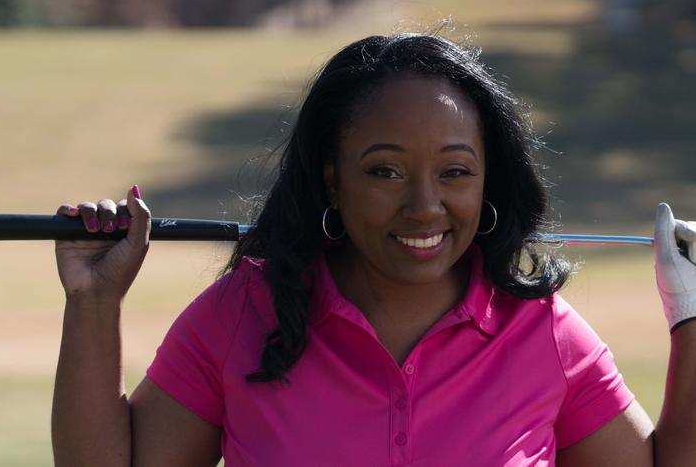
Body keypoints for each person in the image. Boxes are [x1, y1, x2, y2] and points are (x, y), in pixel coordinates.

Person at [51, 33, 696, 466]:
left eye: (455, 172)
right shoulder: (244, 311)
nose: (424, 206)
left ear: (487, 180)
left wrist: (692, 321)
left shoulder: (543, 332)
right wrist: (93, 300)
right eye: (385, 172)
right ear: (333, 176)